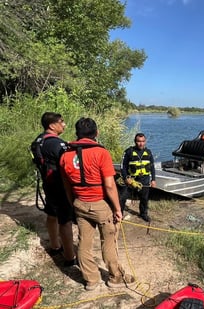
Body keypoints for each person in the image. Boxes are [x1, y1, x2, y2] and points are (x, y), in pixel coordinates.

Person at [60, 117, 135, 291]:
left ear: (77, 134)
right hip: (100, 205)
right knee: (108, 242)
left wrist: (74, 203)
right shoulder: (101, 153)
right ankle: (115, 277)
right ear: (96, 133)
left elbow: (66, 185)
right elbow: (109, 185)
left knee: (84, 243)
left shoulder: (65, 155)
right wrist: (117, 209)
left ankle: (91, 280)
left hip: (80, 203)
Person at [33, 112, 76, 266]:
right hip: (60, 186)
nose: (64, 124)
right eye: (61, 122)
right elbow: (70, 162)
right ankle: (70, 257)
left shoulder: (39, 140)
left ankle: (55, 246)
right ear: (52, 125)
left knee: (52, 215)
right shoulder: (56, 144)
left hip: (48, 183)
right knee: (65, 221)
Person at [119, 132, 156, 222]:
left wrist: (153, 180)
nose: (141, 143)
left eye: (143, 141)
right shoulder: (129, 152)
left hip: (144, 179)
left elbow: (152, 167)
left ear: (145, 141)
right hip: (131, 180)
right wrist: (126, 178)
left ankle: (143, 214)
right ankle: (119, 214)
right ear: (135, 141)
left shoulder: (148, 152)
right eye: (139, 141)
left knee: (144, 199)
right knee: (122, 198)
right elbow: (122, 166)